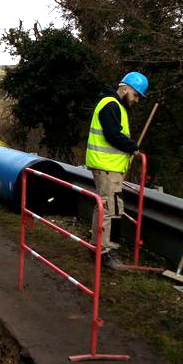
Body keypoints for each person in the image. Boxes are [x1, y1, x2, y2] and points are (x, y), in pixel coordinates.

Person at [85, 71, 148, 269]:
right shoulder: (111, 105)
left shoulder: (113, 105)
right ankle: (104, 253)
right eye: (136, 95)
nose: (136, 100)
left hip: (108, 167)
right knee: (108, 209)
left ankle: (98, 247)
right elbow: (112, 135)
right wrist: (134, 148)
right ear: (126, 88)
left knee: (105, 206)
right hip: (106, 167)